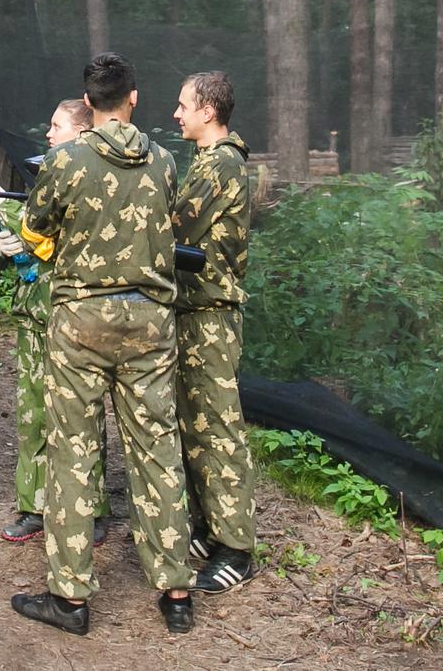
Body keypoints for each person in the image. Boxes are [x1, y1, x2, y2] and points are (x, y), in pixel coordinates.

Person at [12, 53, 194, 637]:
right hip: (149, 322)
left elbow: (33, 232)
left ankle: (70, 598)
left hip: (80, 323)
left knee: (72, 450)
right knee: (158, 449)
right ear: (134, 98)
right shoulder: (165, 160)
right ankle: (175, 589)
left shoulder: (65, 161)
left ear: (88, 104)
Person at [0, 99, 109, 545]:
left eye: (56, 125)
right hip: (36, 311)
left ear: (81, 132)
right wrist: (17, 247)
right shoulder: (46, 171)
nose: (48, 133)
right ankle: (35, 505)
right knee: (34, 412)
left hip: (76, 313)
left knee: (84, 412)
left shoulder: (98, 178)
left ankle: (92, 508)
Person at [171, 70, 256, 594]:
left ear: (208, 111)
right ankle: (209, 527)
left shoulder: (219, 164)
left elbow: (174, 227)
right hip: (195, 311)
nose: (176, 114)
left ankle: (238, 548)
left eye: (183, 106)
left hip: (210, 314)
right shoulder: (210, 161)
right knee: (195, 424)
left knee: (218, 429)